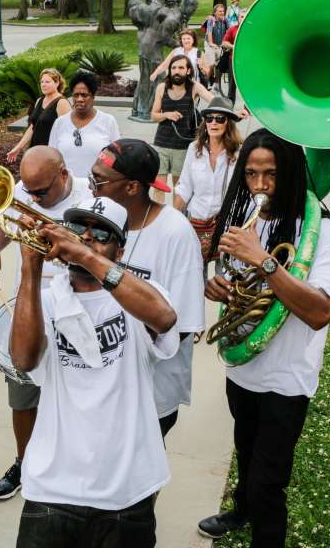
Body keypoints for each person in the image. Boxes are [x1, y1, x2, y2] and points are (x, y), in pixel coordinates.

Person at [197, 129, 330, 544]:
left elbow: (319, 312)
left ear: (292, 172)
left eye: (271, 175)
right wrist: (219, 287)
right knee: (246, 453)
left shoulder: (321, 232)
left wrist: (263, 262)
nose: (260, 186)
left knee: (269, 485)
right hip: (244, 371)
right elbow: (233, 280)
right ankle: (241, 511)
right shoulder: (250, 220)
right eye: (251, 175)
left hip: (286, 379)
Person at [9, 195, 179, 547]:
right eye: (77, 229)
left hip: (126, 490)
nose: (85, 237)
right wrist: (31, 265)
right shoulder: (46, 299)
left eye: (101, 235)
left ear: (120, 252)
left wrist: (84, 254)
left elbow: (164, 318)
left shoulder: (142, 294)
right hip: (53, 488)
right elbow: (23, 360)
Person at [0, 146, 92, 500]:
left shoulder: (91, 196)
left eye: (40, 192)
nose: (33, 198)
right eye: (28, 191)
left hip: (77, 309)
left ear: (62, 174)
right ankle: (24, 463)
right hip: (30, 306)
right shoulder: (24, 193)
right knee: (23, 394)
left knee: (76, 399)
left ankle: (74, 468)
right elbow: (1, 222)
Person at [90, 139, 205, 438]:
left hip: (148, 392)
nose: (92, 187)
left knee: (138, 479)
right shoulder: (98, 219)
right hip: (101, 386)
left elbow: (181, 326)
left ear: (132, 187)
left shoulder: (176, 233)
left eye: (99, 181)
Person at [174, 97, 243, 266]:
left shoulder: (237, 153)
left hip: (225, 223)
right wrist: (172, 218)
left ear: (228, 123)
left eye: (220, 118)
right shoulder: (194, 149)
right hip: (195, 220)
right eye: (209, 118)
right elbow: (185, 186)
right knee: (196, 274)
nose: (213, 122)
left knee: (225, 275)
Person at [151, 55, 216, 204]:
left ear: (188, 71)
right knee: (159, 187)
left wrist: (233, 112)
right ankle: (157, 221)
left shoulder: (194, 87)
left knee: (179, 188)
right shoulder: (162, 87)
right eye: (173, 68)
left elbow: (214, 100)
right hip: (161, 143)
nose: (176, 71)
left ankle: (175, 220)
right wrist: (166, 114)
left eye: (181, 68)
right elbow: (154, 115)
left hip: (183, 146)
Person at [48, 71, 121, 178]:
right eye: (76, 95)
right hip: (66, 189)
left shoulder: (108, 121)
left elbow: (117, 157)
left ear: (93, 96)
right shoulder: (60, 123)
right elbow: (52, 157)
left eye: (84, 95)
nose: (79, 99)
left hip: (97, 189)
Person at [6, 68, 72, 164]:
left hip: (52, 155)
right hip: (36, 151)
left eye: (47, 82)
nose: (43, 85)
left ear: (57, 83)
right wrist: (18, 148)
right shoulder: (39, 101)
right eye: (42, 82)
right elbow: (32, 127)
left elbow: (69, 131)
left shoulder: (62, 103)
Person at [219, 8, 246, 102]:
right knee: (232, 84)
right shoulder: (232, 29)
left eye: (245, 16)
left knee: (247, 84)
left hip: (247, 61)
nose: (243, 18)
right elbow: (224, 43)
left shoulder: (252, 30)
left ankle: (247, 108)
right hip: (233, 60)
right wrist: (234, 46)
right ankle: (230, 105)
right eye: (242, 16)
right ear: (238, 18)